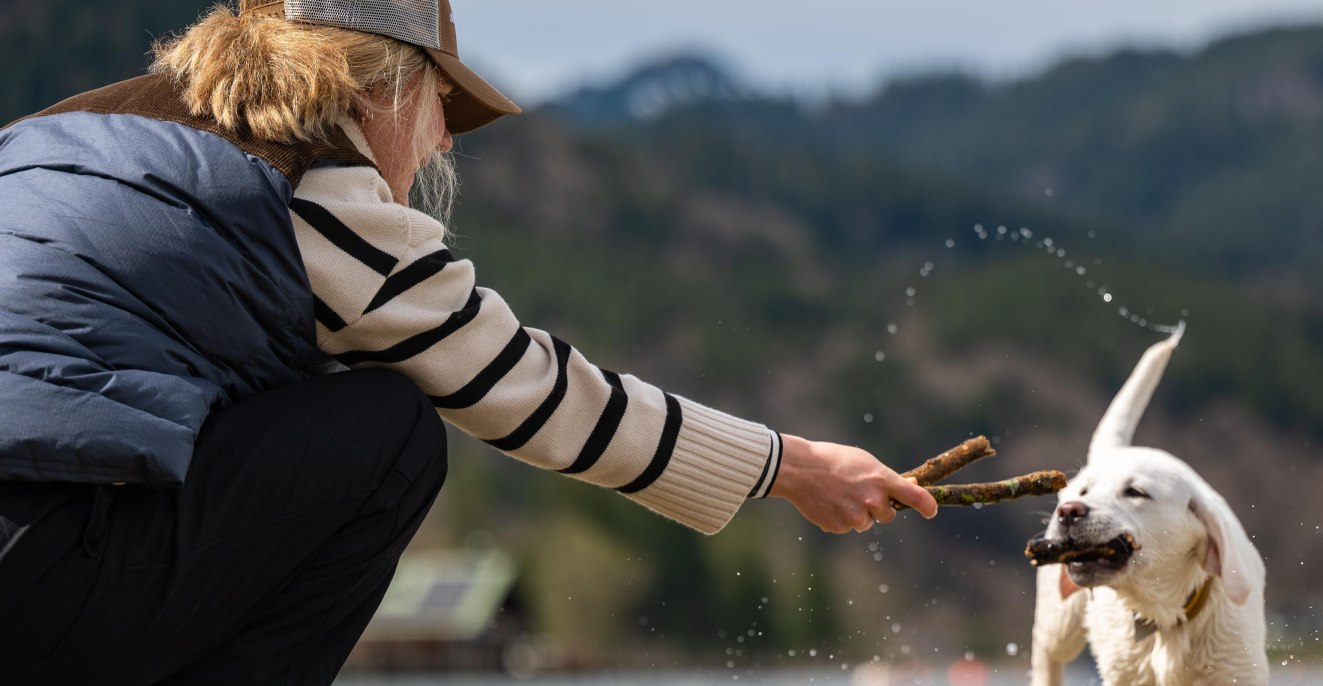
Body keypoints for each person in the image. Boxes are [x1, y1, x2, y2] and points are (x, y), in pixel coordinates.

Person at [0, 0, 938, 682]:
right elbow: (529, 391)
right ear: (392, 86)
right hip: (43, 576)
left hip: (42, 553)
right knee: (388, 429)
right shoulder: (312, 188)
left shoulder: (53, 135)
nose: (445, 141)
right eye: (446, 104)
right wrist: (794, 465)